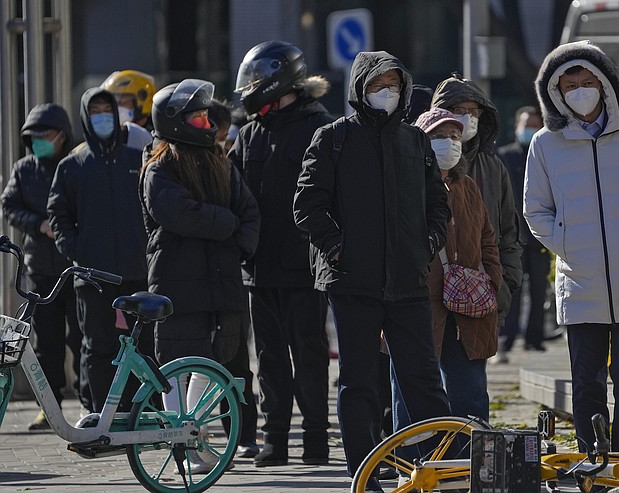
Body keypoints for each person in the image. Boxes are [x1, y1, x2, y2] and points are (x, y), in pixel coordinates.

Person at [293, 50, 452, 489]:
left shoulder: (415, 141)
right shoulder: (333, 138)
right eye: (378, 85)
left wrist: (428, 244)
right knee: (358, 382)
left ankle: (439, 467)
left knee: (423, 379)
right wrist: (338, 249)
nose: (388, 92)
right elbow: (307, 207)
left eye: (394, 84)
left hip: (408, 281)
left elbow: (438, 205)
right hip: (352, 284)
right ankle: (363, 473)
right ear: (360, 89)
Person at [523, 40, 619, 453]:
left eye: (586, 79)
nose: (579, 89)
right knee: (586, 378)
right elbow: (535, 209)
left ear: (605, 82)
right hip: (581, 280)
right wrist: (565, 243)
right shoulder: (545, 143)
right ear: (555, 91)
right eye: (569, 82)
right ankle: (593, 455)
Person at [140, 78, 260, 473]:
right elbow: (180, 214)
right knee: (175, 366)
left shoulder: (220, 162)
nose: (205, 122)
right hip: (177, 283)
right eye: (196, 116)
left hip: (222, 283)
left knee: (214, 363)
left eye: (206, 115)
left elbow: (250, 214)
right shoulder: (159, 168)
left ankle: (192, 434)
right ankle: (181, 444)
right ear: (174, 121)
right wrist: (227, 226)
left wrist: (236, 242)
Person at [229, 40, 334, 467]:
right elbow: (233, 191)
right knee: (269, 358)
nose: (249, 89)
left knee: (310, 355)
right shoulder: (250, 132)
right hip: (259, 268)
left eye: (256, 80)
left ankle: (315, 441)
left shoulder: (320, 128)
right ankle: (275, 440)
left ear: (277, 80)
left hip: (306, 268)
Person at [47, 88, 154, 414]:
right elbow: (58, 215)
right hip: (92, 276)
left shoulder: (138, 158)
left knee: (142, 345)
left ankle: (144, 412)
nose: (104, 116)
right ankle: (101, 415)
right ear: (85, 116)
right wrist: (75, 250)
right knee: (96, 348)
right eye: (96, 111)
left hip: (138, 271)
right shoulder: (72, 166)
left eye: (108, 109)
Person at [408, 107, 503, 421]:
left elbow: (488, 239)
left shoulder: (468, 187)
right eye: (438, 136)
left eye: (453, 136)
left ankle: (470, 464)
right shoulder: (405, 185)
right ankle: (412, 463)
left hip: (469, 307)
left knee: (471, 394)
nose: (448, 142)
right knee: (412, 392)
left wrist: (490, 278)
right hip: (418, 304)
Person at [1, 103, 83, 429]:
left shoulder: (76, 165)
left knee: (83, 340)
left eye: (45, 135)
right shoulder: (24, 169)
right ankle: (49, 410)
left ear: (62, 135)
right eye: (33, 136)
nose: (39, 141)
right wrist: (38, 224)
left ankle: (89, 404)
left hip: (74, 268)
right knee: (45, 344)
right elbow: (9, 205)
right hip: (39, 270)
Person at [430, 74, 522, 330]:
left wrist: (503, 283)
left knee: (469, 369)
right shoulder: (418, 164)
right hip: (426, 297)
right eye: (458, 110)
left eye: (473, 111)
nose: (467, 117)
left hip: (477, 296)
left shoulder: (493, 167)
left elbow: (508, 231)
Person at [496, 105, 551, 360]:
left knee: (540, 288)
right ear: (516, 126)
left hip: (540, 235)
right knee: (512, 288)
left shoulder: (546, 155)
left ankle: (535, 338)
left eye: (534, 125)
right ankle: (507, 338)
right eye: (526, 124)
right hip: (512, 235)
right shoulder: (505, 156)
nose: (530, 130)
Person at [101, 69, 156, 150]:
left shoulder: (158, 140)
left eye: (122, 102)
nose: (116, 108)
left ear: (144, 101)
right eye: (113, 104)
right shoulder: (108, 137)